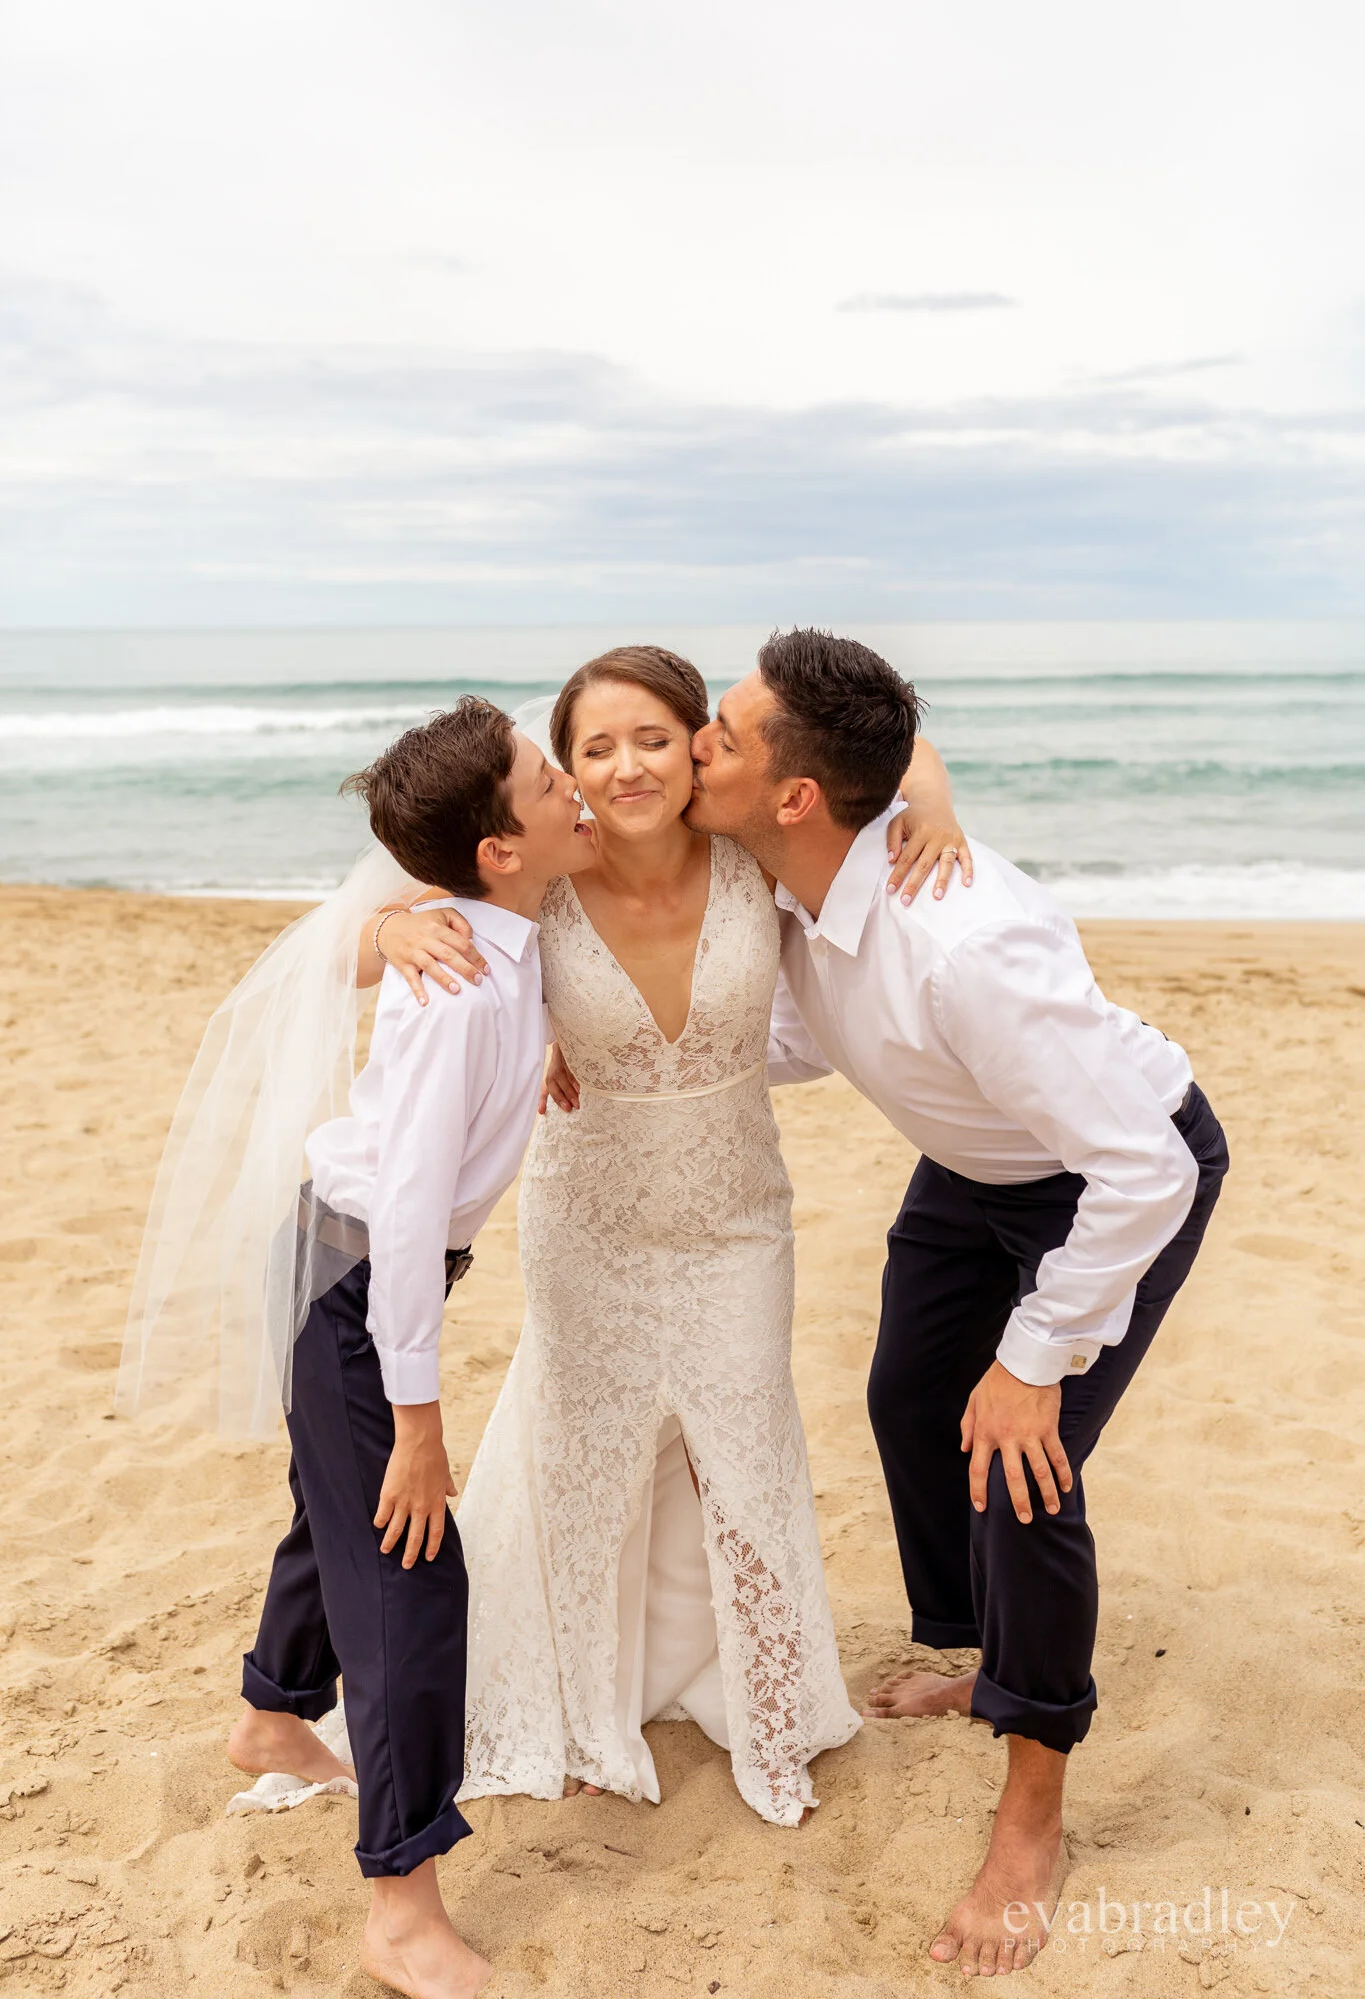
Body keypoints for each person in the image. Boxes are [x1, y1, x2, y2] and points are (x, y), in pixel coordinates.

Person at [680, 628, 1229, 1976]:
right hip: (972, 1158)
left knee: (1015, 1460)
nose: (699, 745)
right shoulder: (795, 877)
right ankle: (983, 1658)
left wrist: (1038, 1354)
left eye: (724, 738)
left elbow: (1143, 1169)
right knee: (910, 1400)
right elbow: (820, 1022)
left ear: (797, 796)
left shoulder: (964, 945)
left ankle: (1031, 1815)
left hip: (1106, 1173)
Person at [362, 646, 972, 1826]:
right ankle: (592, 1711)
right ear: (569, 774)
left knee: (747, 1447)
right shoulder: (536, 882)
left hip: (739, 1212)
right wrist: (392, 931)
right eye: (594, 747)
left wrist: (933, 807)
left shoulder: (748, 853)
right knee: (585, 1461)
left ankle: (775, 1709)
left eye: (653, 737)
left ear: (697, 744)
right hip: (588, 1213)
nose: (626, 764)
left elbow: (889, 754)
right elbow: (363, 938)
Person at [226, 698, 592, 1999]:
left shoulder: (498, 943)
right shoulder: (461, 989)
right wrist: (422, 1424)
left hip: (333, 1260)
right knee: (411, 1571)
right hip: (356, 1276)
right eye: (551, 779)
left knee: (335, 1514)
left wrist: (536, 1040)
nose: (572, 790)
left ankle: (275, 1717)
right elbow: (406, 1222)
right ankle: (401, 1906)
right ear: (499, 849)